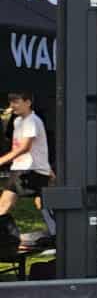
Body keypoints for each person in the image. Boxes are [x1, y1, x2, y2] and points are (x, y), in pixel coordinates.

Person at [0, 90, 54, 249]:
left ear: (28, 102)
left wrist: (2, 160)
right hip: (25, 168)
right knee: (42, 203)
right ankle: (56, 233)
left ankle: (7, 240)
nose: (12, 105)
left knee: (4, 204)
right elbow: (36, 148)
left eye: (16, 102)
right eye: (11, 102)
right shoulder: (18, 121)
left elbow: (25, 147)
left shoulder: (32, 121)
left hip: (29, 169)